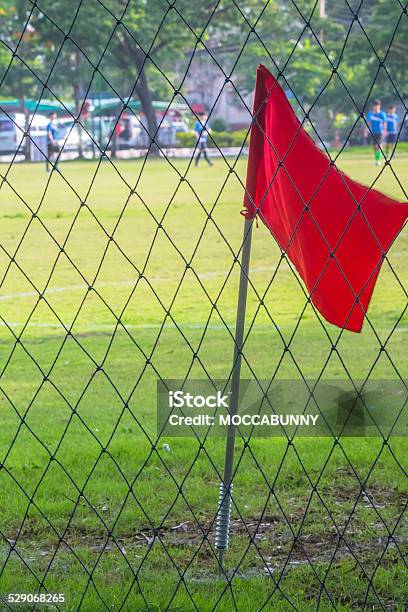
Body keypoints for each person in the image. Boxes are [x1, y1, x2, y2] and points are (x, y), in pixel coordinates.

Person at [365, 100, 386, 166]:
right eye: (375, 106)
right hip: (373, 132)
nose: (376, 107)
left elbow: (385, 123)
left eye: (377, 106)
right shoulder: (370, 114)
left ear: (379, 106)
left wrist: (385, 130)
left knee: (378, 146)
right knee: (374, 147)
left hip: (380, 132)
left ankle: (378, 160)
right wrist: (365, 130)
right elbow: (368, 123)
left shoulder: (382, 114)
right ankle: (377, 158)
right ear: (373, 106)